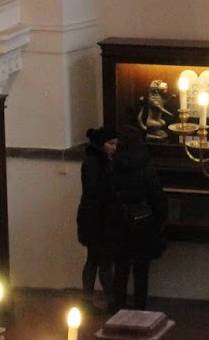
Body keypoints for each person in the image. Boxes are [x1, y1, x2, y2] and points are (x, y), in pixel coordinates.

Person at [104, 127, 167, 311]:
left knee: (121, 269)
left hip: (120, 221)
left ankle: (119, 309)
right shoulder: (145, 166)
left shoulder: (114, 166)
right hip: (143, 222)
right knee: (141, 270)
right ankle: (140, 310)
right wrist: (158, 220)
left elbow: (107, 195)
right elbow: (158, 198)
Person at [75, 126, 117, 312]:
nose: (114, 148)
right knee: (101, 261)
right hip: (98, 219)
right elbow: (98, 192)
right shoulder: (97, 164)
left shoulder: (94, 161)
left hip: (93, 218)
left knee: (93, 259)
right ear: (102, 145)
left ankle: (89, 299)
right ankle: (111, 300)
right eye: (111, 144)